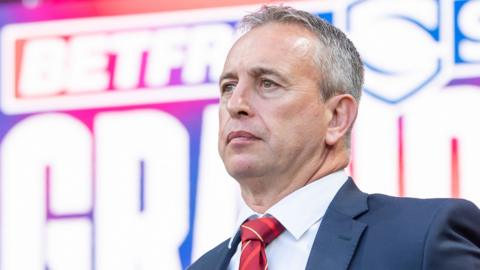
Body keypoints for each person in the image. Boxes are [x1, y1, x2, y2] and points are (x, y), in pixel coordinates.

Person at [188, 5, 480, 270]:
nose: (235, 104)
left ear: (337, 117)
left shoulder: (422, 238)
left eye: (267, 83)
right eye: (228, 86)